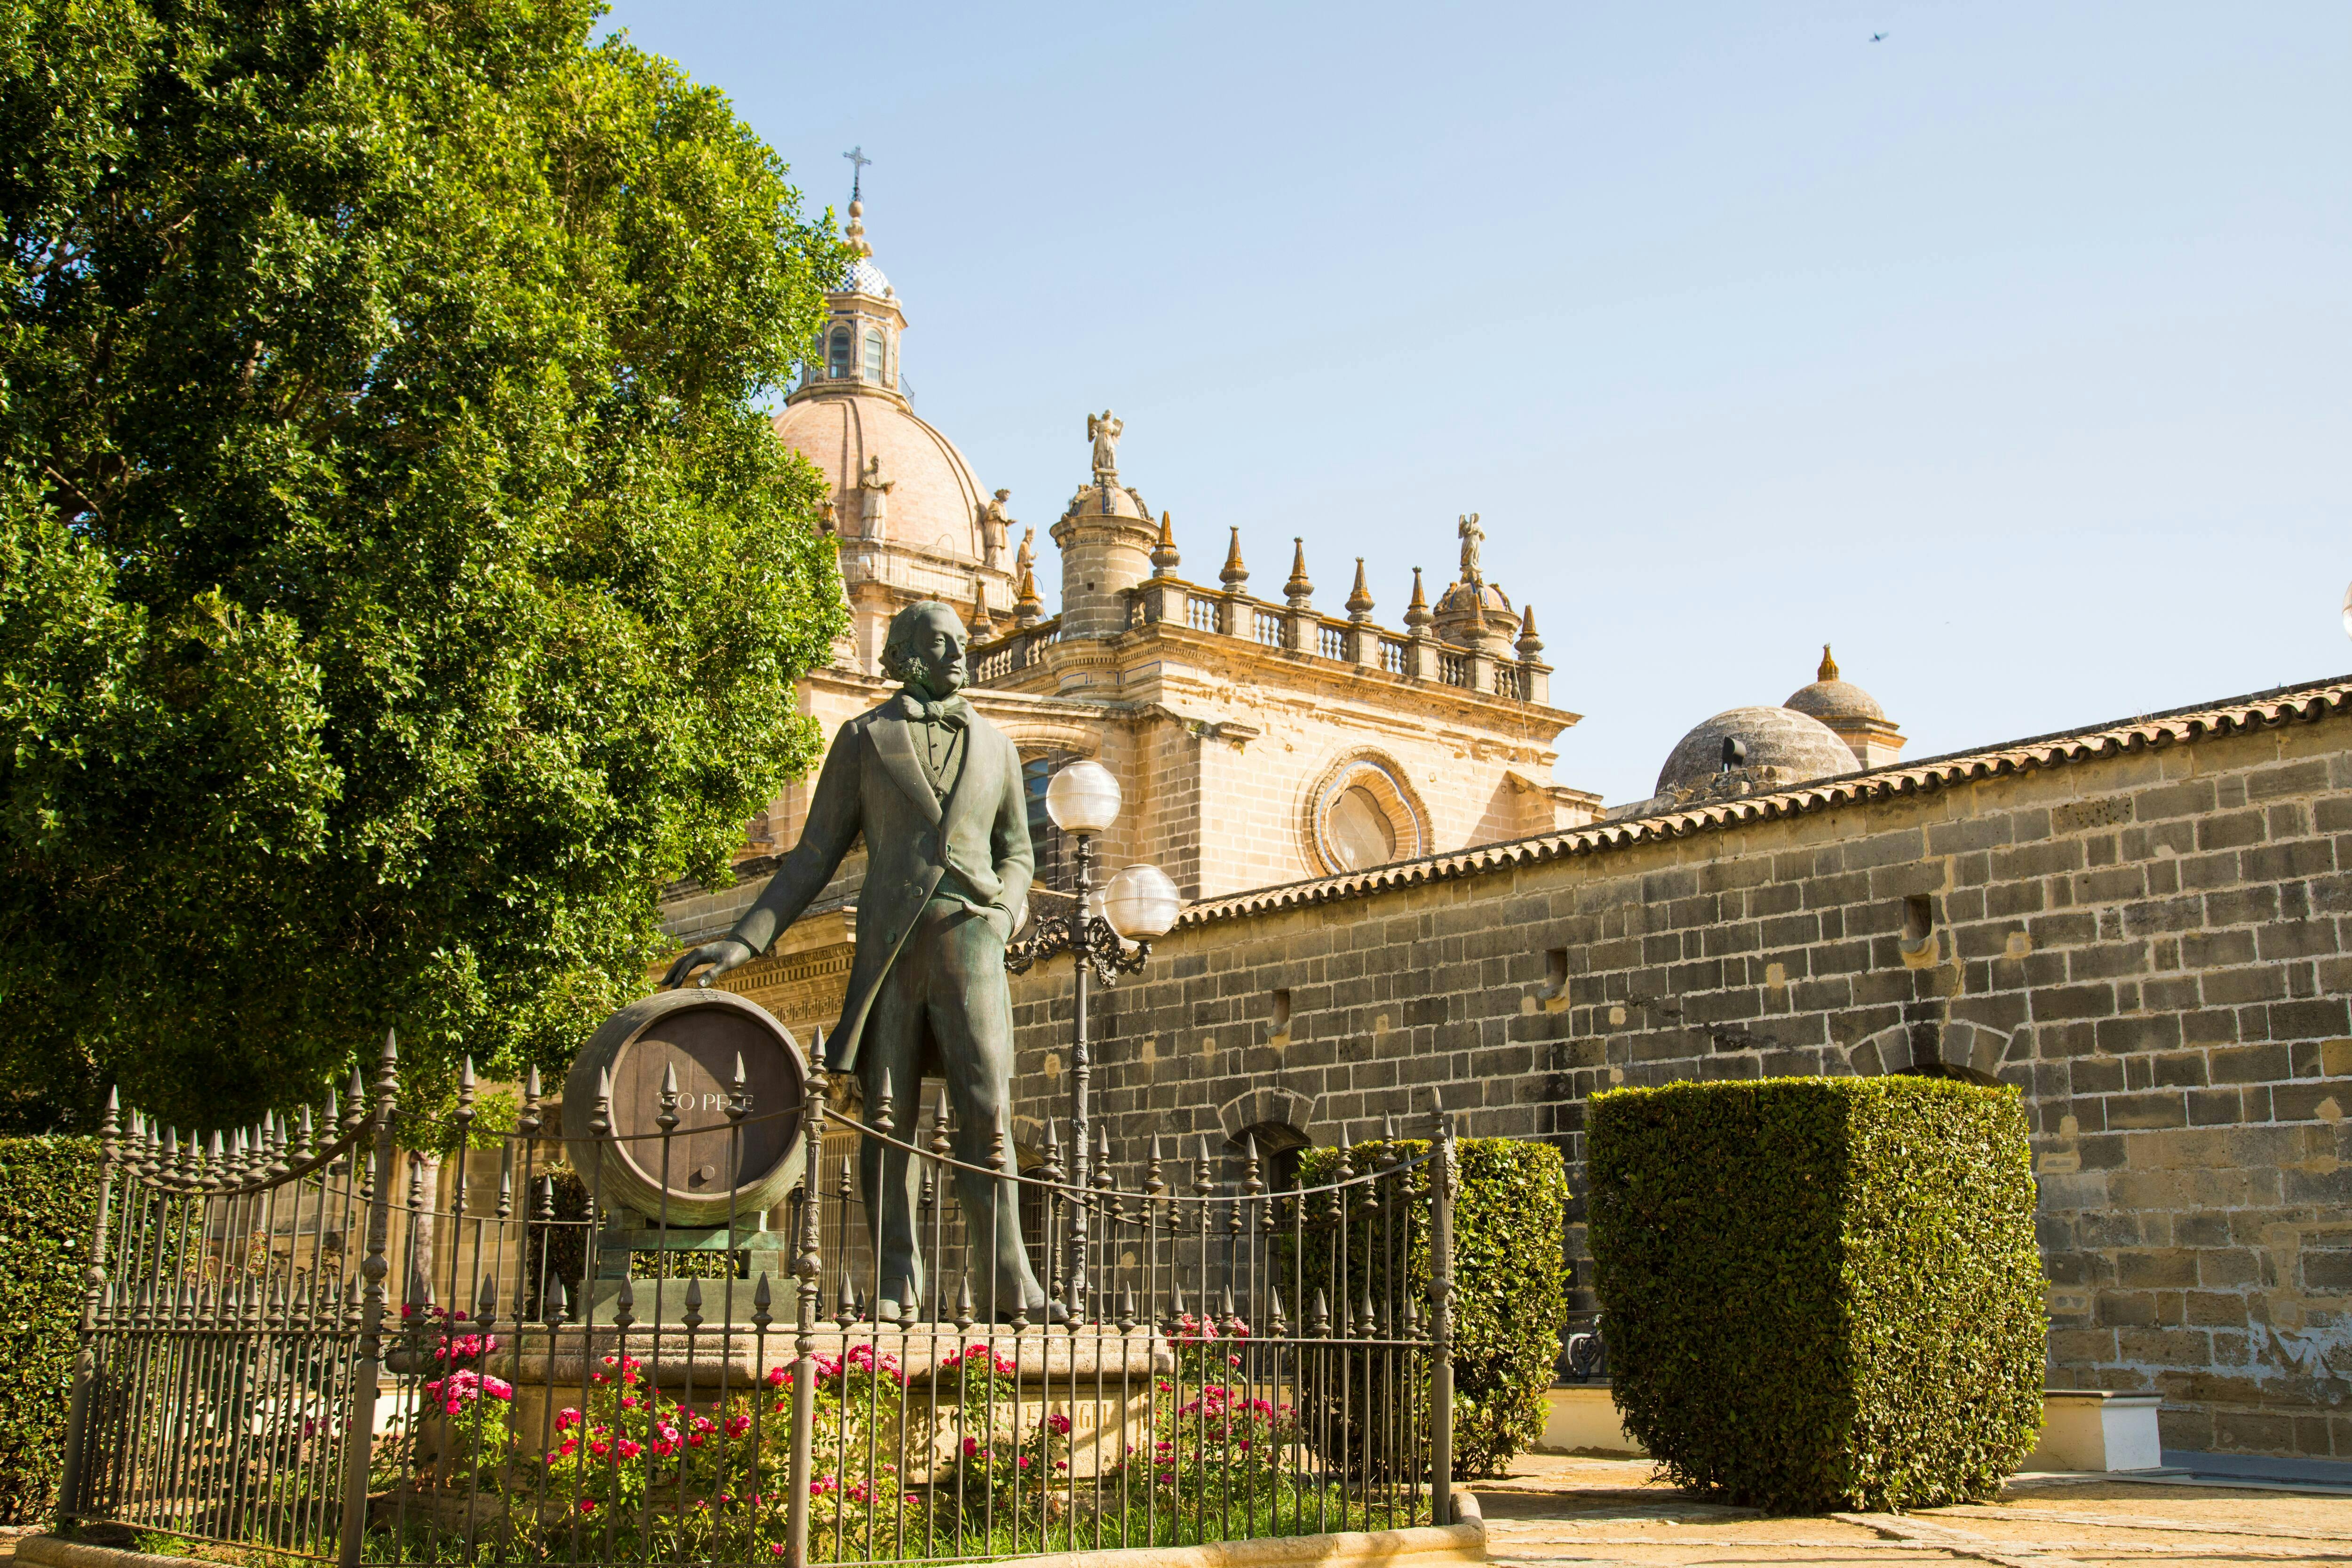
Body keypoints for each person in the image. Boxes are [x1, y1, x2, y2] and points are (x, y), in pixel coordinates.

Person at [663, 600, 1054, 1322]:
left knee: (989, 1111)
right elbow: (813, 854)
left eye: (962, 643)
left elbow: (1019, 853)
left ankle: (1010, 1279)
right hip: (889, 950)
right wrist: (746, 938)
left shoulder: (1000, 747)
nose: (957, 655)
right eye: (939, 644)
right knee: (887, 1114)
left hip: (973, 938)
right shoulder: (864, 737)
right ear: (903, 653)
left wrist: (1006, 912)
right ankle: (897, 1283)